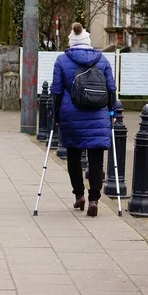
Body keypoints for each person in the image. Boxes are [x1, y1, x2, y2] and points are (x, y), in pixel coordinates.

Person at [50, 22, 117, 217]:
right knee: (96, 157)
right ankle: (94, 199)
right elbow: (111, 89)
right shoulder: (102, 60)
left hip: (71, 116)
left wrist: (55, 116)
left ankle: (79, 195)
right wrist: (112, 113)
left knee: (73, 155)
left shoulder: (62, 60)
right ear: (88, 42)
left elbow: (55, 91)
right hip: (98, 114)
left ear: (71, 42)